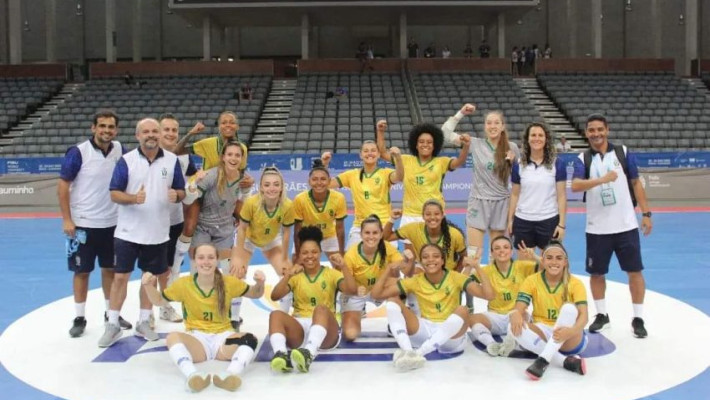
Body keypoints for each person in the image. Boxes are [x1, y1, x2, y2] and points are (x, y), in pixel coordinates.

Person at [100, 118, 186, 348]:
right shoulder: (126, 161)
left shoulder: (171, 160)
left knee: (150, 280)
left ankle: (144, 321)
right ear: (138, 136)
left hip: (158, 233)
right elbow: (114, 193)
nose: (151, 135)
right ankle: (113, 323)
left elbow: (181, 190)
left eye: (155, 131)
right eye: (146, 131)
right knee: (120, 278)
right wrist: (133, 199)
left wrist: (176, 195)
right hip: (128, 233)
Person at [141, 244, 265, 392]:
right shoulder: (184, 284)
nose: (206, 262)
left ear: (217, 260)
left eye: (211, 257)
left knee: (250, 339)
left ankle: (230, 375)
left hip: (223, 339)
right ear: (194, 260)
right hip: (197, 340)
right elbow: (159, 301)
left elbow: (255, 293)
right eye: (201, 258)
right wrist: (148, 286)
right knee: (172, 337)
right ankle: (193, 375)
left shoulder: (228, 282)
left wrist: (260, 283)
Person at [571, 114, 653, 338]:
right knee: (597, 273)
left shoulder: (623, 153)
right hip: (597, 228)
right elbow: (576, 186)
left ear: (607, 130)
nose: (596, 134)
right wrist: (601, 180)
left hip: (626, 225)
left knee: (634, 272)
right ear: (586, 133)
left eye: (600, 129)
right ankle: (602, 315)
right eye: (591, 130)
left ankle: (638, 317)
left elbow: (636, 183)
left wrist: (646, 213)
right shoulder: (583, 158)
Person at [58, 109, 131, 337]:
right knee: (82, 271)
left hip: (113, 224)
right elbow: (62, 186)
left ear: (116, 130)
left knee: (110, 270)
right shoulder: (79, 152)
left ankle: (111, 314)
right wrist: (67, 219)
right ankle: (79, 317)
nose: (106, 131)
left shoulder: (120, 149)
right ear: (93, 128)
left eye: (111, 127)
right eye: (102, 126)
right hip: (83, 224)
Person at [370, 244, 494, 371]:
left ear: (442, 261)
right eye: (425, 257)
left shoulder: (455, 277)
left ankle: (418, 354)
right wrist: (389, 269)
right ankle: (408, 351)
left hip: (451, 337)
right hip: (425, 331)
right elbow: (376, 295)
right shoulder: (416, 280)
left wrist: (476, 266)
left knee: (463, 310)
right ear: (421, 262)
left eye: (435, 256)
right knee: (392, 301)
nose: (430, 260)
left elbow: (489, 295)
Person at [171, 111, 253, 277]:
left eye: (232, 122)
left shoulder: (242, 148)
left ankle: (235, 267)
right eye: (224, 122)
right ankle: (176, 266)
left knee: (246, 219)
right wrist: (191, 133)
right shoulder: (208, 143)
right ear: (219, 126)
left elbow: (240, 174)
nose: (228, 125)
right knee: (190, 226)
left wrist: (246, 185)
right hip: (203, 189)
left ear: (237, 126)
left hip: (225, 192)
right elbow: (177, 151)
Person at [268, 226, 357, 373]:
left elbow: (352, 290)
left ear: (321, 253)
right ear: (299, 255)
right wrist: (288, 275)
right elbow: (275, 295)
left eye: (314, 252)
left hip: (327, 333)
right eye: (305, 253)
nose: (310, 256)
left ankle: (308, 353)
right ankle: (282, 355)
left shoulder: (331, 274)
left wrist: (344, 266)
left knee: (321, 309)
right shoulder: (295, 276)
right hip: (300, 329)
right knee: (275, 315)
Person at [183, 142, 251, 330]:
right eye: (230, 154)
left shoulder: (244, 180)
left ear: (241, 159)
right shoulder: (211, 175)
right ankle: (195, 315)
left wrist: (244, 196)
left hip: (225, 230)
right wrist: (192, 185)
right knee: (198, 271)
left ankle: (234, 317)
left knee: (233, 273)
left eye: (237, 155)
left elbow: (242, 203)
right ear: (223, 157)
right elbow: (190, 200)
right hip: (203, 228)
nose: (233, 158)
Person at [441, 104, 520, 261]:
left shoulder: (512, 148)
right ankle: (473, 284)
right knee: (473, 254)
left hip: (502, 203)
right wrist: (461, 113)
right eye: (489, 123)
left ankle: (492, 284)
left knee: (497, 254)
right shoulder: (475, 144)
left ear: (503, 126)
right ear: (484, 127)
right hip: (478, 202)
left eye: (496, 123)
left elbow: (519, 178)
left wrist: (513, 164)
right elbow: (444, 133)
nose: (493, 126)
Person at [508, 241, 588, 380]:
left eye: (559, 258)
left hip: (570, 336)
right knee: (512, 327)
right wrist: (515, 313)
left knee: (569, 309)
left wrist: (571, 331)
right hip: (543, 331)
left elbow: (584, 317)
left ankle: (543, 360)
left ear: (565, 262)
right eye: (549, 258)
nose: (554, 262)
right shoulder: (532, 280)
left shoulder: (575, 283)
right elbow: (519, 307)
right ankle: (564, 361)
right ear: (543, 261)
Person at [376, 120, 469, 238]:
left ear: (434, 145)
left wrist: (466, 146)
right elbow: (383, 153)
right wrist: (380, 131)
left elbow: (459, 162)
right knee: (411, 256)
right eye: (421, 142)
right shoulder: (405, 160)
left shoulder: (441, 162)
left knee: (435, 254)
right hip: (410, 215)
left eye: (429, 142)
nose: (425, 144)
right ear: (415, 144)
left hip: (434, 216)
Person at [230, 166, 294, 317]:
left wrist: (284, 258)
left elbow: (286, 232)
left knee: (288, 275)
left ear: (282, 187)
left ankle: (284, 316)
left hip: (271, 239)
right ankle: (233, 318)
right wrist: (238, 257)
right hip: (248, 239)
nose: (272, 188)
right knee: (236, 274)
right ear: (261, 188)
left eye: (276, 184)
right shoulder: (252, 203)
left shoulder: (287, 205)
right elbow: (242, 229)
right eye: (267, 185)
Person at [321, 139, 404, 249]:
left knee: (391, 263)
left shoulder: (385, 173)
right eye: (366, 151)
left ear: (379, 154)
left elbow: (399, 176)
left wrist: (398, 158)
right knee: (350, 262)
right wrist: (324, 165)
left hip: (383, 225)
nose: (369, 153)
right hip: (359, 227)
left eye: (373, 150)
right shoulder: (351, 175)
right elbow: (327, 184)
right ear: (360, 155)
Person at [341, 215, 413, 341]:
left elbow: (407, 272)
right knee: (350, 335)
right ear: (361, 235)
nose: (371, 236)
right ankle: (348, 316)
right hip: (357, 291)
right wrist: (356, 289)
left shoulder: (388, 247)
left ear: (381, 234)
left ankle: (395, 321)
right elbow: (344, 286)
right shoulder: (351, 255)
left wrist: (409, 260)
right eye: (367, 233)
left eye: (375, 233)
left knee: (400, 284)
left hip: (380, 288)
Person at [158, 113, 199, 323]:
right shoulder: (151, 154)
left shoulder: (183, 156)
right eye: (167, 129)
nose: (171, 134)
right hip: (153, 221)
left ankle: (165, 306)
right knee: (157, 268)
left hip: (175, 219)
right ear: (158, 132)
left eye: (174, 130)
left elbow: (193, 175)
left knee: (170, 266)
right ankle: (152, 310)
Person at [468, 236, 538, 356]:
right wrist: (472, 265)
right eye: (497, 248)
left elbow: (548, 268)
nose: (502, 251)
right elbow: (464, 283)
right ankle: (491, 344)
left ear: (512, 252)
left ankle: (512, 342)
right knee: (473, 319)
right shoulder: (486, 270)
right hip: (495, 316)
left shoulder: (523, 266)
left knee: (524, 317)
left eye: (506, 247)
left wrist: (535, 257)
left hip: (516, 314)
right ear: (492, 253)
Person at [508, 123, 567, 256]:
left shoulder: (557, 164)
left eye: (541, 135)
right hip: (523, 220)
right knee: (524, 266)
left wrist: (562, 224)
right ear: (527, 139)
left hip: (549, 220)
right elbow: (515, 195)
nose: (537, 138)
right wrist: (510, 220)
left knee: (546, 264)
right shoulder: (518, 164)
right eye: (533, 135)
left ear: (546, 139)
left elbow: (561, 196)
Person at [384, 200, 466, 273]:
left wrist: (455, 274)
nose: (432, 217)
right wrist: (392, 219)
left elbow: (464, 256)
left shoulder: (454, 234)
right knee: (411, 275)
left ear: (442, 215)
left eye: (436, 214)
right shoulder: (413, 229)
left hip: (447, 272)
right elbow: (386, 237)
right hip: (424, 269)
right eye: (428, 214)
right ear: (423, 216)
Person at [293, 159, 347, 259]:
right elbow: (297, 231)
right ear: (309, 181)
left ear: (329, 181)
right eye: (314, 179)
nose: (319, 183)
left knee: (341, 267)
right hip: (307, 237)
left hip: (329, 236)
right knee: (296, 266)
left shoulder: (339, 198)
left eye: (323, 179)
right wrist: (298, 255)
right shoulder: (300, 199)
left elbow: (340, 229)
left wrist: (341, 253)